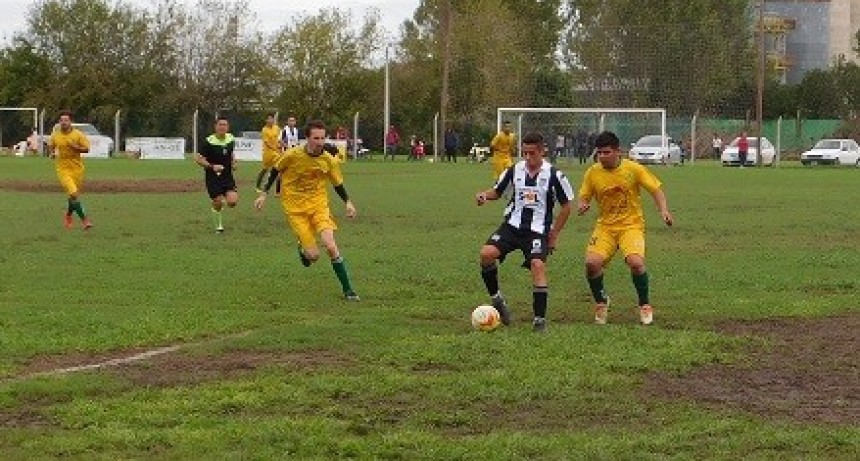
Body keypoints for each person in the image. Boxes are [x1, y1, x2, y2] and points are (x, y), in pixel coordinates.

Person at [475, 131, 574, 333]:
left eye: (532, 153)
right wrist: (484, 195)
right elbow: (497, 192)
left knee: (537, 265)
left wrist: (554, 234)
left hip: (538, 231)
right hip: (512, 226)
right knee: (486, 254)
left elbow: (566, 207)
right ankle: (497, 300)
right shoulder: (515, 170)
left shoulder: (554, 175)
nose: (528, 158)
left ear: (542, 151)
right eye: (524, 153)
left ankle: (539, 321)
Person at [254, 120, 360, 301]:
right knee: (313, 256)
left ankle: (348, 290)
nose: (320, 142)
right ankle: (303, 248)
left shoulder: (328, 159)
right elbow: (275, 171)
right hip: (295, 209)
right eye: (316, 138)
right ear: (307, 138)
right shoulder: (292, 155)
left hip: (319, 206)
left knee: (331, 246)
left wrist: (348, 203)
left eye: (322, 138)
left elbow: (337, 184)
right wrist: (264, 194)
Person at [577, 131, 674, 326]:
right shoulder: (593, 172)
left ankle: (644, 305)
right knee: (592, 264)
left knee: (636, 262)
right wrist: (582, 205)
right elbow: (583, 197)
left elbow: (656, 190)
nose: (602, 156)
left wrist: (664, 211)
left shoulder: (633, 169)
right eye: (599, 153)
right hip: (605, 227)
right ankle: (601, 301)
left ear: (617, 152)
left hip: (631, 226)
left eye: (606, 152)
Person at [49, 111, 93, 230]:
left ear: (70, 122)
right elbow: (51, 146)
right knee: (73, 193)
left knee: (73, 196)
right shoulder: (55, 135)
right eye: (61, 120)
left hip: (77, 169)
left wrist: (75, 147)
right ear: (59, 122)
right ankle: (85, 220)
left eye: (66, 120)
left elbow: (87, 149)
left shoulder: (78, 135)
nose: (63, 122)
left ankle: (68, 215)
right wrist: (52, 153)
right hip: (63, 169)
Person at [195, 116, 237, 233]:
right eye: (220, 124)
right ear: (215, 126)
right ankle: (219, 225)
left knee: (232, 202)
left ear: (228, 127)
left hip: (227, 176)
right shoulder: (209, 141)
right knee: (218, 202)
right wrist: (212, 166)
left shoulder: (231, 139)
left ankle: (218, 204)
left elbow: (231, 154)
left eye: (225, 125)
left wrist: (233, 162)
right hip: (212, 177)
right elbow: (198, 159)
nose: (222, 127)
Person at [255, 113, 281, 194]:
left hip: (275, 153)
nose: (271, 120)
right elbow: (266, 143)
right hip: (267, 153)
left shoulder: (276, 128)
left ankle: (272, 188)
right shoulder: (264, 130)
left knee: (279, 167)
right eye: (269, 119)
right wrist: (275, 148)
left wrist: (282, 144)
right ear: (266, 120)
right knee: (265, 169)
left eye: (272, 119)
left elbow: (278, 139)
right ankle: (257, 186)